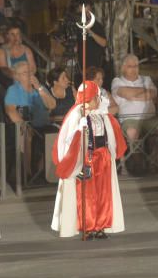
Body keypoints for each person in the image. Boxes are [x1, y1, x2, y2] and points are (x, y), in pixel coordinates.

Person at [51, 81, 126, 239]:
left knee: (103, 192)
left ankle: (101, 224)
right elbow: (68, 139)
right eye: (92, 98)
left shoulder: (102, 113)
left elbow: (111, 133)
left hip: (103, 157)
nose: (95, 100)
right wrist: (80, 128)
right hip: (87, 159)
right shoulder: (77, 115)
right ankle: (88, 226)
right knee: (87, 194)